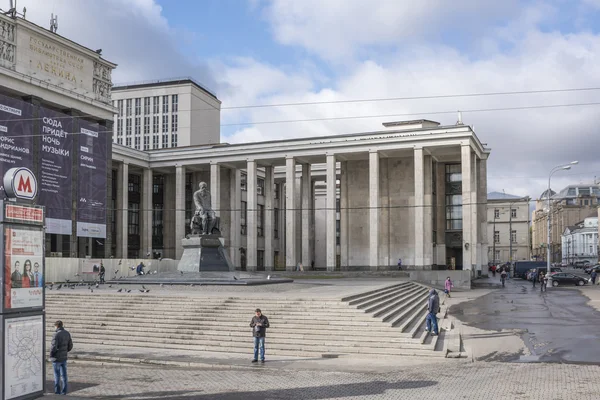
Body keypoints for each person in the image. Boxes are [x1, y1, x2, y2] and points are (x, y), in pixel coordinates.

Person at [50, 320, 73, 395]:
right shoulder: (67, 333)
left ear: (56, 326)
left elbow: (53, 347)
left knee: (57, 376)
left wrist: (51, 355)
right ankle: (64, 391)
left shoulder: (56, 334)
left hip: (56, 358)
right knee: (64, 376)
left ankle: (57, 392)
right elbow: (70, 345)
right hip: (64, 358)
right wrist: (65, 351)